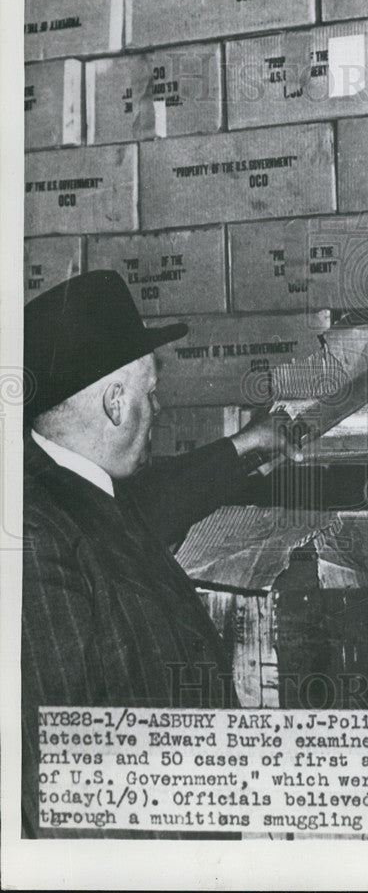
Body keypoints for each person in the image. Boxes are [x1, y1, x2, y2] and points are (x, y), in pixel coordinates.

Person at [22, 270, 301, 837]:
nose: (161, 408)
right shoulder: (31, 539)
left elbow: (156, 498)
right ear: (115, 403)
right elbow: (60, 789)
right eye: (151, 393)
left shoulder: (75, 488)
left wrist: (246, 444)